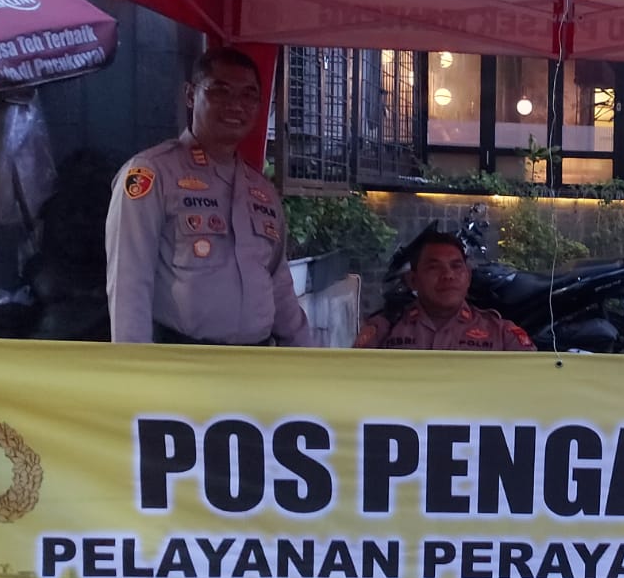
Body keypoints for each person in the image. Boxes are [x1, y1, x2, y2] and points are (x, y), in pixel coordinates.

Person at [105, 46, 311, 346]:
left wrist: (307, 354)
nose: (236, 105)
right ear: (190, 95)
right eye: (220, 91)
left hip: (255, 362)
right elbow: (129, 282)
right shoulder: (153, 173)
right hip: (182, 359)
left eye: (249, 95)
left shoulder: (261, 191)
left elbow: (278, 284)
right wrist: (134, 367)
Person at [354, 231, 535, 351]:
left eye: (456, 266)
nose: (448, 275)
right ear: (413, 280)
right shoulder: (385, 330)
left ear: (468, 277)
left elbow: (534, 381)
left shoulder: (502, 334)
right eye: (434, 267)